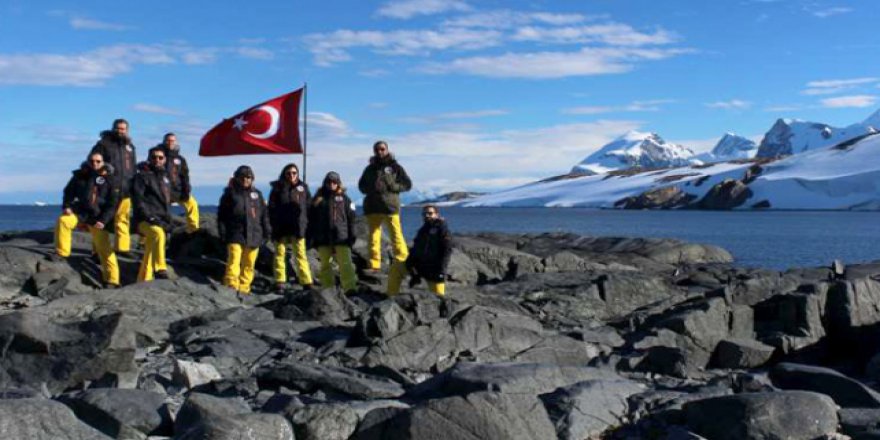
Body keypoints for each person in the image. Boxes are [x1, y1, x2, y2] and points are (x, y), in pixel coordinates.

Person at [54, 152, 120, 288]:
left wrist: (103, 220)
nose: (94, 163)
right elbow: (68, 192)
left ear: (103, 163)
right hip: (80, 213)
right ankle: (62, 253)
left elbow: (112, 204)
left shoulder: (109, 179)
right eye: (92, 161)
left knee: (104, 249)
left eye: (98, 161)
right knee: (63, 220)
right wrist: (67, 206)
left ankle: (112, 280)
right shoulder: (79, 176)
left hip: (98, 217)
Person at [357, 140, 412, 295]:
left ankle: (402, 261)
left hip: (390, 206)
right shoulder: (369, 168)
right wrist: (369, 189)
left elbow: (407, 184)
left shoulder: (395, 167)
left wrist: (394, 187)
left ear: (387, 150)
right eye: (377, 149)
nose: (379, 152)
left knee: (396, 235)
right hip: (373, 206)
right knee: (373, 236)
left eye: (382, 149)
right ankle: (374, 263)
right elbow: (361, 185)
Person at [218, 166, 271, 295]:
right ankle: (231, 283)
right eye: (242, 177)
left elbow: (264, 215)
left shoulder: (257, 194)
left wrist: (267, 232)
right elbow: (222, 216)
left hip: (254, 234)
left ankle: (244, 287)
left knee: (249, 263)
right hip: (235, 233)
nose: (245, 180)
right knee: (234, 259)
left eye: (248, 177)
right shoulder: (230, 194)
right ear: (236, 178)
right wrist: (223, 232)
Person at [90, 119, 137, 254]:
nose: (120, 131)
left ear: (127, 130)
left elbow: (133, 167)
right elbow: (93, 163)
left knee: (123, 219)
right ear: (112, 128)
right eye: (117, 128)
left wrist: (134, 184)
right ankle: (96, 251)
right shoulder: (103, 144)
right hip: (107, 188)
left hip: (126, 188)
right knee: (101, 220)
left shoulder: (130, 147)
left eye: (122, 129)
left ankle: (122, 248)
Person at [308, 172, 357, 293]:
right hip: (323, 238)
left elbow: (352, 219)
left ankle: (350, 288)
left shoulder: (345, 199)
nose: (331, 184)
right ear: (325, 183)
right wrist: (312, 238)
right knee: (325, 265)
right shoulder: (318, 200)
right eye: (329, 182)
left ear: (338, 183)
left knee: (346, 264)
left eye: (334, 182)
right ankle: (328, 289)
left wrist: (352, 237)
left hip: (341, 237)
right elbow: (311, 220)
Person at [268, 163, 314, 291]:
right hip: (281, 226)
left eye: (294, 173)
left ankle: (306, 281)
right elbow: (271, 208)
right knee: (279, 254)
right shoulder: (277, 189)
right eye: (289, 173)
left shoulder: (303, 188)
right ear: (284, 174)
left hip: (298, 226)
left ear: (298, 174)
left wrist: (308, 225)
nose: (292, 175)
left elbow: (309, 207)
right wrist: (272, 225)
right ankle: (280, 281)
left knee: (300, 254)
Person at [132, 146, 173, 282]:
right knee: (157, 234)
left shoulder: (165, 178)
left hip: (161, 220)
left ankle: (143, 279)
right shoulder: (141, 177)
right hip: (145, 221)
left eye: (160, 157)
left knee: (151, 248)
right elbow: (138, 201)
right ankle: (160, 268)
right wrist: (150, 217)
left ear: (165, 159)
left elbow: (167, 202)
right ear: (149, 159)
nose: (157, 160)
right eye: (154, 157)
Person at [403, 205, 453, 297]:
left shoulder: (442, 228)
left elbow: (447, 250)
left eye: (430, 213)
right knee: (396, 269)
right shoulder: (423, 230)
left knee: (439, 297)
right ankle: (391, 294)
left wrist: (442, 270)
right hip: (421, 267)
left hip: (435, 269)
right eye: (424, 214)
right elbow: (416, 248)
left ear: (437, 214)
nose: (427, 215)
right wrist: (409, 264)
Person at [158, 133, 199, 233]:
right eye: (168, 140)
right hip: (161, 190)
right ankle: (144, 240)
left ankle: (193, 230)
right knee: (155, 212)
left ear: (176, 142)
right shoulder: (158, 156)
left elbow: (185, 176)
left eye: (172, 141)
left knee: (192, 204)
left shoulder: (180, 159)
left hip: (177, 190)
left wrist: (187, 189)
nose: (170, 143)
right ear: (164, 141)